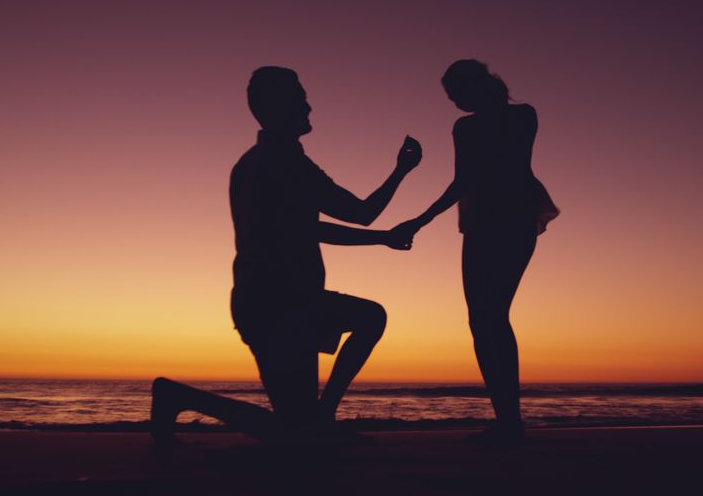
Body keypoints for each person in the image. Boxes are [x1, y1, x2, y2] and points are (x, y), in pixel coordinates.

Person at [151, 66, 421, 444]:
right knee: (297, 435)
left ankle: (318, 418)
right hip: (276, 306)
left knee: (304, 422)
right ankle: (177, 396)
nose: (309, 107)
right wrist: (400, 174)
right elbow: (357, 215)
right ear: (277, 107)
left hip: (286, 302)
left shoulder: (271, 162)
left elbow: (327, 224)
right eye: (300, 98)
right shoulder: (279, 164)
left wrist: (384, 232)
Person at [394, 59, 557, 443]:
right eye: (450, 96)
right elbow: (462, 181)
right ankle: (505, 418)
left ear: (477, 86)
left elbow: (492, 169)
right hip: (481, 222)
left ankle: (510, 420)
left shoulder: (522, 116)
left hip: (514, 218)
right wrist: (420, 220)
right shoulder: (463, 127)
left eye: (457, 93)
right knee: (479, 319)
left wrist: (420, 220)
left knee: (493, 314)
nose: (453, 102)